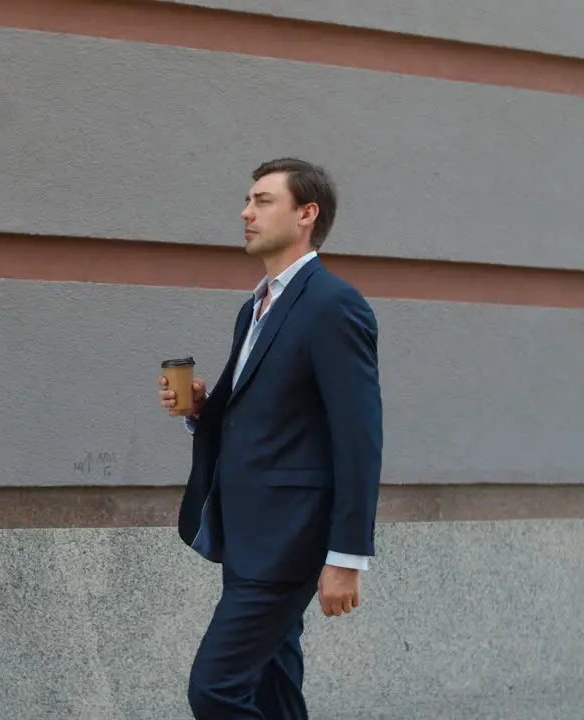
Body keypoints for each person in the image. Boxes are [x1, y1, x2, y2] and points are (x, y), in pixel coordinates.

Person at [157, 158, 383, 719]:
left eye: (262, 201)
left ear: (306, 214)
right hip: (250, 535)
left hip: (289, 542)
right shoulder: (256, 307)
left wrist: (347, 556)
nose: (245, 212)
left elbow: (360, 437)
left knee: (216, 689)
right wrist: (201, 411)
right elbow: (263, 414)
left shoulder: (334, 305)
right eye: (248, 200)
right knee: (271, 690)